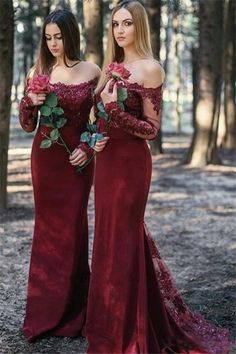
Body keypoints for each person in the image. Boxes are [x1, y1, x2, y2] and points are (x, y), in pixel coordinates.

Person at [85, 1, 234, 353]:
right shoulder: (114, 67)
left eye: (126, 24)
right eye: (115, 24)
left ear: (139, 27)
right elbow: (98, 118)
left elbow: (151, 130)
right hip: (106, 163)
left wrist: (113, 112)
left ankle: (129, 331)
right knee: (109, 239)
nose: (119, 31)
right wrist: (96, 136)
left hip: (132, 165)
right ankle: (109, 325)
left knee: (123, 238)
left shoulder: (150, 69)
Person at [19, 9, 107, 342]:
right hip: (46, 158)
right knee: (47, 230)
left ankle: (73, 312)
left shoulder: (92, 70)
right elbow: (28, 125)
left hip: (78, 160)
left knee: (73, 229)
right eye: (48, 37)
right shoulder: (38, 71)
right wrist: (29, 101)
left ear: (71, 35)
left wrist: (87, 145)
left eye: (59, 36)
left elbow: (100, 119)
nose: (53, 43)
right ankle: (44, 313)